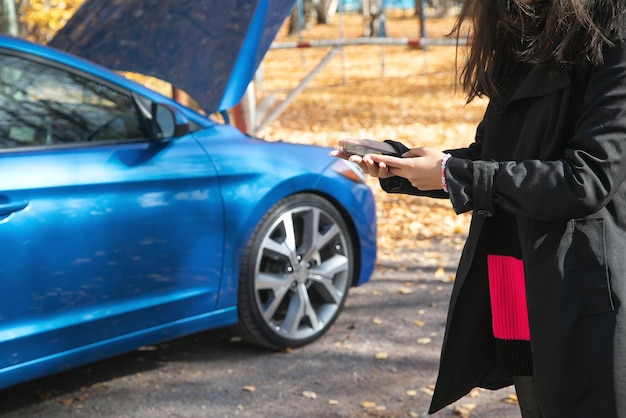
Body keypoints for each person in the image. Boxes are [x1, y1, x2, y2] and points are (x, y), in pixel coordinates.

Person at [330, 0, 626, 416]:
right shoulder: (524, 36)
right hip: (515, 283)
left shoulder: (614, 32)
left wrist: (453, 172)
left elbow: (585, 180)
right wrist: (406, 167)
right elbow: (490, 157)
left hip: (580, 293)